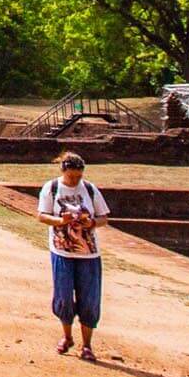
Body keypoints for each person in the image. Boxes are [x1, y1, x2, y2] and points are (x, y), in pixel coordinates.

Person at [35, 151, 110, 361]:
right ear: (63, 171)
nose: (75, 180)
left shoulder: (89, 189)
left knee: (90, 300)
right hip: (62, 251)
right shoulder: (52, 188)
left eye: (78, 176)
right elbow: (41, 215)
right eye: (71, 176)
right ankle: (67, 336)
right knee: (64, 297)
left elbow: (103, 217)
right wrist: (61, 221)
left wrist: (91, 222)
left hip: (89, 254)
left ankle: (87, 345)